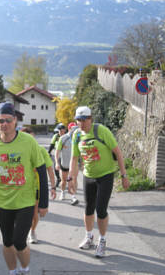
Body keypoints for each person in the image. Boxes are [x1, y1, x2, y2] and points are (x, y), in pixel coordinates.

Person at [0, 102, 49, 275]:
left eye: (8, 120)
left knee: (19, 241)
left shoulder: (28, 142)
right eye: (0, 120)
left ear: (15, 120)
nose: (4, 124)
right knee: (7, 242)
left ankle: (25, 273)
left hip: (25, 201)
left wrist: (43, 202)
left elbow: (41, 172)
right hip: (3, 202)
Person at [68, 106, 130, 258]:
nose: (81, 123)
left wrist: (124, 175)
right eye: (78, 120)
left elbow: (118, 153)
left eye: (84, 120)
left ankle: (102, 241)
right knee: (88, 208)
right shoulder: (76, 135)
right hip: (89, 176)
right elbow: (74, 158)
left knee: (101, 209)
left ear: (91, 119)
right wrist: (71, 178)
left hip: (105, 175)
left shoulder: (101, 131)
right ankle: (89, 236)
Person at [21, 127, 56, 244]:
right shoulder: (18, 150)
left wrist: (53, 187)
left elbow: (50, 169)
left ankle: (32, 231)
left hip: (36, 188)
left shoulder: (40, 150)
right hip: (20, 188)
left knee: (34, 213)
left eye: (31, 138)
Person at [55, 122, 79, 205]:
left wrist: (83, 163)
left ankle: (73, 197)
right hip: (64, 164)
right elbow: (57, 152)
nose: (75, 130)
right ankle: (62, 192)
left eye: (76, 128)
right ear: (69, 129)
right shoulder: (63, 138)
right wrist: (57, 163)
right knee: (64, 181)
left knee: (73, 181)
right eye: (73, 128)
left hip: (74, 165)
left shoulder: (79, 138)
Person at [48, 124, 64, 188]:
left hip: (65, 155)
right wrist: (48, 152)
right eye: (60, 131)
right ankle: (58, 179)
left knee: (64, 168)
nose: (61, 132)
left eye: (62, 131)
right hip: (57, 154)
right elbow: (52, 145)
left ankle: (64, 180)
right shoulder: (56, 136)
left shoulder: (67, 136)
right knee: (56, 168)